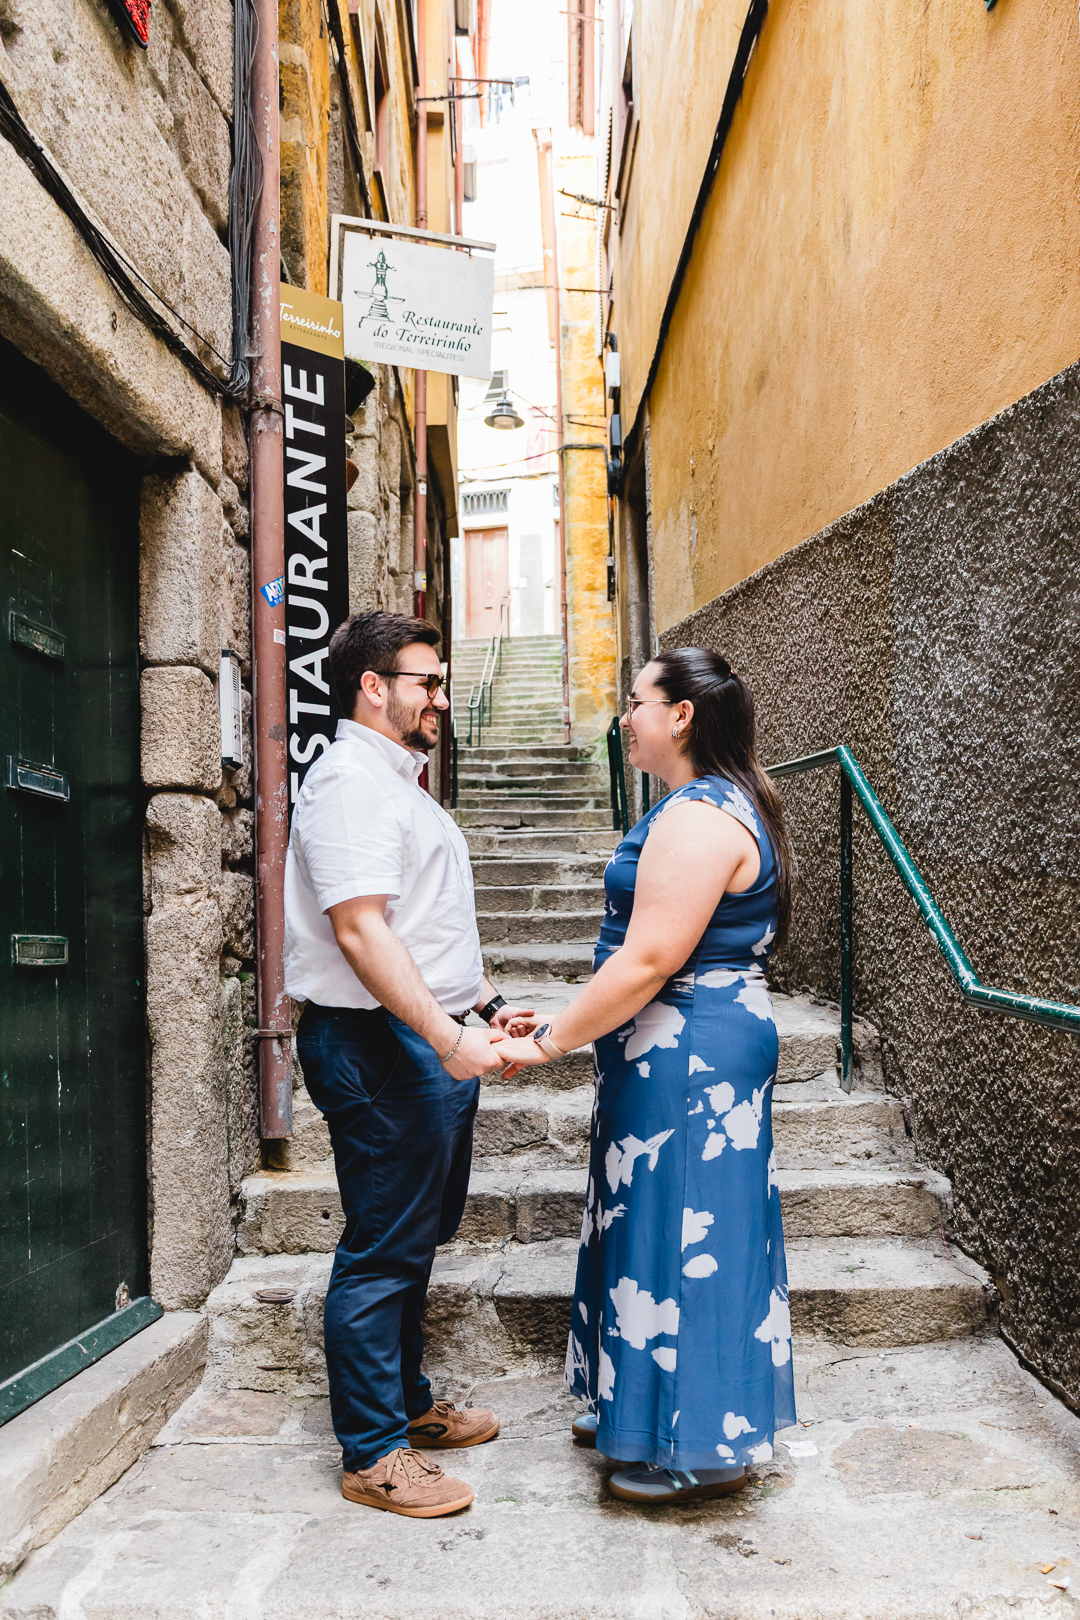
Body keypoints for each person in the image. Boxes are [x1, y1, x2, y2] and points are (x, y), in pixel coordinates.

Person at [493, 646, 797, 1504]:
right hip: (674, 1044)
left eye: (636, 702)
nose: (624, 718)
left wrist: (547, 1041)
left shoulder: (701, 817)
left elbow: (652, 957)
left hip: (691, 1051)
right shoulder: (703, 803)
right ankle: (639, 1413)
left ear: (681, 715)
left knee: (687, 1231)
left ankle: (699, 1446)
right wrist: (567, 1021)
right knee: (654, 1221)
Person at [284, 610, 536, 1519]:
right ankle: (371, 1454)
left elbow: (421, 927)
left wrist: (485, 1005)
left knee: (414, 1238)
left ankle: (407, 1406)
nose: (441, 698)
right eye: (427, 682)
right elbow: (361, 933)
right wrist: (446, 1035)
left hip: (417, 1034)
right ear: (372, 687)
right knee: (382, 1248)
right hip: (377, 1043)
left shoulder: (400, 784)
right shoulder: (349, 783)